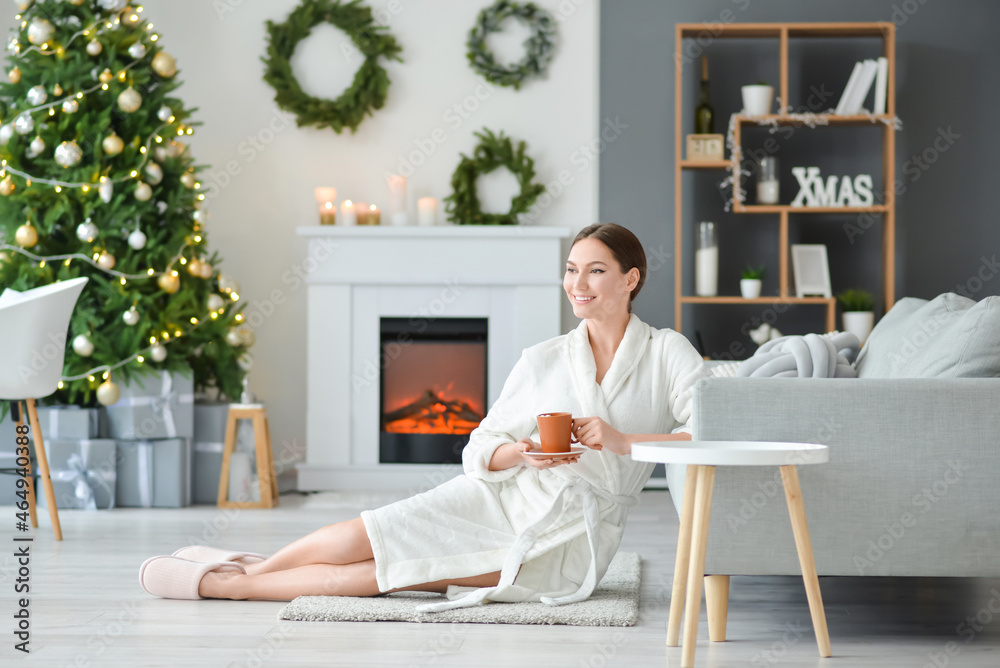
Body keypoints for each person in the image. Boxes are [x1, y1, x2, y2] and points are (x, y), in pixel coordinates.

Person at [139, 223, 708, 608]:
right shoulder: (545, 359)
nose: (576, 285)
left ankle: (224, 586)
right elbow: (481, 447)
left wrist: (621, 439)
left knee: (387, 575)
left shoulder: (666, 353)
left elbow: (703, 434)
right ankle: (249, 570)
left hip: (566, 543)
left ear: (631, 278)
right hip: (506, 497)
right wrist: (525, 451)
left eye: (595, 272)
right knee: (376, 529)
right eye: (570, 270)